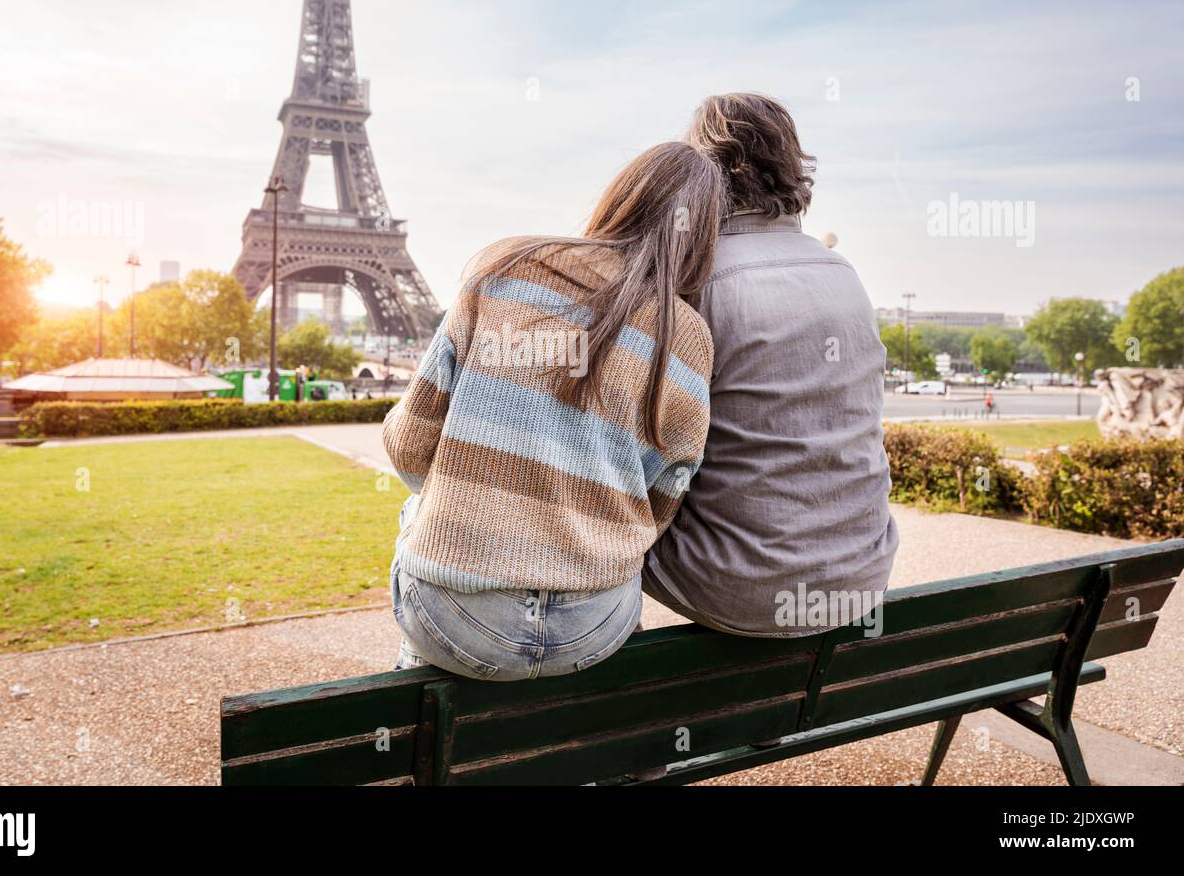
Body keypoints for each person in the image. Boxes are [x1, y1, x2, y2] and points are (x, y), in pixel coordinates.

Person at [382, 142, 724, 680]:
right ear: (702, 238)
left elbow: (410, 451)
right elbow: (666, 494)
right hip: (594, 626)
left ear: (620, 197)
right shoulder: (687, 337)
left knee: (416, 513)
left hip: (456, 619)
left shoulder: (505, 268)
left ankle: (420, 718)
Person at [644, 93, 899, 636]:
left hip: (738, 588)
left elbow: (644, 447)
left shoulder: (696, 282)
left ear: (702, 172)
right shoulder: (843, 273)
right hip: (860, 576)